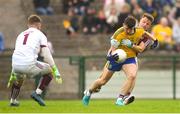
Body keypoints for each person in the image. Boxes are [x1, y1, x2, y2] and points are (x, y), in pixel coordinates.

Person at [82, 15, 158, 106]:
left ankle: (121, 98)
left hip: (130, 57)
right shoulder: (119, 32)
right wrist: (110, 55)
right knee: (102, 81)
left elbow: (143, 41)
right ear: (140, 20)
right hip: (117, 57)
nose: (145, 24)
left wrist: (155, 40)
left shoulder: (140, 32)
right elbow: (112, 47)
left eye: (147, 24)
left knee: (132, 76)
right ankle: (89, 92)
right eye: (144, 22)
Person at [7, 14, 62, 106]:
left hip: (16, 64)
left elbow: (17, 53)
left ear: (28, 25)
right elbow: (46, 54)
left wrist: (13, 72)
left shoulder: (21, 35)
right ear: (38, 25)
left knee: (19, 79)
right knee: (49, 72)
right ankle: (37, 93)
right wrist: (55, 68)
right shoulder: (40, 34)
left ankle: (13, 101)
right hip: (29, 63)